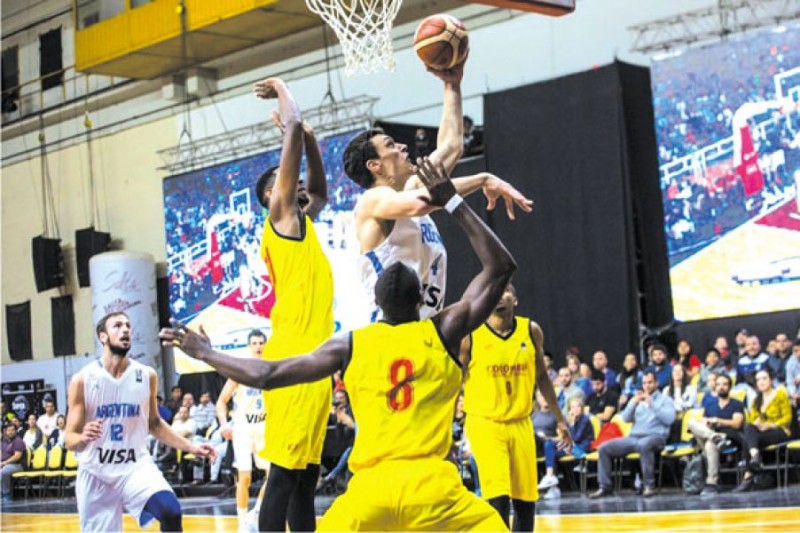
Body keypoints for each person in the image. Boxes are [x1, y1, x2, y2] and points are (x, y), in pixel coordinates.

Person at [161, 156, 515, 531]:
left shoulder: (351, 344)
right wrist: (453, 201)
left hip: (371, 493)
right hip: (434, 486)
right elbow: (500, 268)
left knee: (305, 491)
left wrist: (205, 352)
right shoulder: (442, 330)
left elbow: (268, 374)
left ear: (376, 303)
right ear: (421, 301)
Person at [342, 61, 532, 322]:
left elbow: (452, 147)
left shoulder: (409, 190)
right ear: (374, 165)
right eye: (391, 145)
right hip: (391, 334)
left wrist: (452, 85)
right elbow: (425, 201)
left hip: (425, 327)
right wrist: (482, 179)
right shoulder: (372, 200)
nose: (402, 147)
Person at [249, 77, 333, 532]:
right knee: (283, 475)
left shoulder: (304, 222)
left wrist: (311, 140)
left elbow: (320, 192)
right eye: (289, 180)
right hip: (294, 356)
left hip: (314, 360)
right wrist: (282, 90)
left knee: (305, 479)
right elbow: (294, 123)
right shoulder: (280, 218)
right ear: (272, 196)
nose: (299, 184)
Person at [65, 311, 215, 532]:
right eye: (117, 326)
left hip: (134, 467)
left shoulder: (146, 375)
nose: (125, 329)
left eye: (128, 325)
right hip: (96, 472)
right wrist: (82, 437)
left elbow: (154, 424)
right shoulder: (83, 380)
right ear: (102, 337)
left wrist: (191, 447)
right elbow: (69, 438)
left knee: (170, 510)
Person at [461, 284, 572, 530]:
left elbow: (542, 378)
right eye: (495, 292)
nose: (501, 297)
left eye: (506, 292)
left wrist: (560, 419)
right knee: (497, 498)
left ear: (516, 299)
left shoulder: (531, 331)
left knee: (525, 500)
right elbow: (454, 382)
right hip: (486, 423)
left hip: (521, 422)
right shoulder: (471, 335)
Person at [216, 329, 270, 531]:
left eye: (261, 343)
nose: (258, 347)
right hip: (243, 429)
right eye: (254, 343)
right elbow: (221, 402)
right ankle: (242, 523)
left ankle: (255, 513)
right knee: (244, 477)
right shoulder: (240, 372)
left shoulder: (270, 371)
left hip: (264, 427)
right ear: (249, 346)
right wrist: (224, 424)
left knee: (273, 475)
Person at [590, 371, 675, 498]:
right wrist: (633, 403)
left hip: (656, 437)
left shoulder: (665, 400)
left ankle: (649, 486)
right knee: (604, 448)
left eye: (650, 382)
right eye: (644, 383)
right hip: (634, 437)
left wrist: (652, 404)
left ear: (656, 383)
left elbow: (669, 419)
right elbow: (625, 418)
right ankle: (605, 486)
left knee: (643, 445)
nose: (647, 386)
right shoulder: (638, 399)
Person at [733, 367, 792, 492]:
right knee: (749, 428)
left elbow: (787, 418)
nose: (761, 382)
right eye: (758, 379)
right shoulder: (756, 400)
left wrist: (769, 425)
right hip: (761, 433)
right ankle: (755, 457)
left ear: (771, 380)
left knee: (748, 440)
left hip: (780, 431)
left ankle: (748, 476)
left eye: (764, 378)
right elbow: (752, 420)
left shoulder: (780, 394)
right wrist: (758, 423)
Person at [686, 374, 745, 494]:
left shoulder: (736, 404)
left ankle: (712, 483)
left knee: (710, 445)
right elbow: (703, 421)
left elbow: (737, 424)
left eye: (724, 384)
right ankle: (716, 437)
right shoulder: (710, 405)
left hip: (728, 438)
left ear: (730, 387)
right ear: (715, 387)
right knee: (691, 422)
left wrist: (718, 420)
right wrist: (706, 423)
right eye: (718, 384)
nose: (721, 387)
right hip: (711, 434)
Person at [538, 396, 593, 500]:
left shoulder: (585, 420)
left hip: (581, 449)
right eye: (573, 407)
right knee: (549, 446)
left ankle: (551, 480)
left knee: (552, 451)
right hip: (570, 447)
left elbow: (575, 438)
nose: (575, 409)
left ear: (582, 408)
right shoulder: (568, 421)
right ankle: (552, 484)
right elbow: (563, 438)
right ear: (569, 410)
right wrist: (548, 438)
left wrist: (571, 424)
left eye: (578, 406)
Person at [663, 364, 697, 442]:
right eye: (675, 370)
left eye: (680, 370)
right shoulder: (666, 390)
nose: (677, 372)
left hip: (685, 415)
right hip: (670, 415)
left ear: (684, 373)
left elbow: (690, 404)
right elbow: (664, 405)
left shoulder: (691, 389)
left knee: (677, 422)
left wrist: (677, 410)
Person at [1, 422, 25, 503]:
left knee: (4, 471)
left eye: (12, 430)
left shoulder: (18, 441)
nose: (10, 432)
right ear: (5, 431)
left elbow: (17, 456)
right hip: (5, 463)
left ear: (15, 431)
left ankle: (6, 494)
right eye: (9, 430)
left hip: (17, 465)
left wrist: (4, 463)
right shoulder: (4, 441)